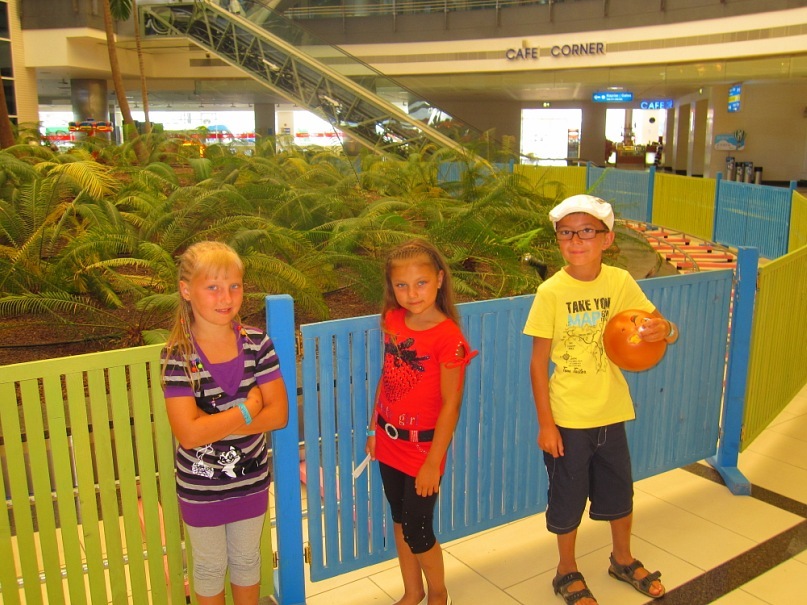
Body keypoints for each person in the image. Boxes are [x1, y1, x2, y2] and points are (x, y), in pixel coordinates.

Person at [523, 195, 678, 605]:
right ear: (558, 240)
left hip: (611, 411)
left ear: (607, 239)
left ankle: (621, 559)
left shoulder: (619, 282)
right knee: (567, 496)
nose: (576, 241)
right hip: (568, 417)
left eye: (586, 231)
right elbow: (538, 364)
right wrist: (546, 424)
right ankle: (566, 570)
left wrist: (664, 330)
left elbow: (657, 326)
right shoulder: (551, 292)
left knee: (619, 492)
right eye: (566, 233)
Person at [161, 241, 289, 605]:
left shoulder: (257, 344)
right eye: (213, 287)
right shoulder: (178, 356)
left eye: (234, 286)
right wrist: (248, 411)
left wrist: (210, 424)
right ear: (186, 290)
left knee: (248, 561)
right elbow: (188, 434)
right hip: (201, 488)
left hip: (251, 481)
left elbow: (278, 415)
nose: (226, 297)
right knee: (208, 567)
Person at [365, 239, 477, 605]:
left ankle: (438, 592)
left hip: (422, 450)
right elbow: (387, 377)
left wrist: (432, 462)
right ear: (391, 286)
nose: (412, 293)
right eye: (402, 285)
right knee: (400, 520)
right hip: (388, 440)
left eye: (421, 283)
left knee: (418, 529)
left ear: (440, 280)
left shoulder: (449, 338)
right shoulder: (393, 320)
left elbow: (451, 405)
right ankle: (413, 592)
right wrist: (373, 428)